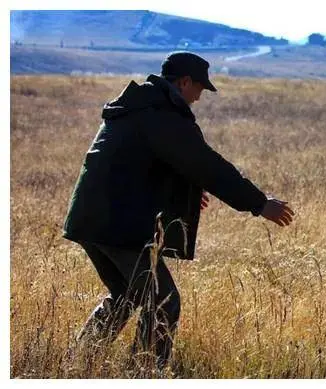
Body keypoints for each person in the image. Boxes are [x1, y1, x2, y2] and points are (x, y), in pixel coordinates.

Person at [62, 51, 294, 370]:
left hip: (93, 217)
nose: (199, 98)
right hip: (116, 222)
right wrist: (259, 203)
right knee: (163, 302)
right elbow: (205, 165)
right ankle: (145, 373)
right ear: (184, 82)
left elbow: (141, 164)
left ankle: (76, 364)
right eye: (199, 88)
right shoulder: (160, 114)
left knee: (126, 295)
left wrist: (181, 193)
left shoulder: (141, 107)